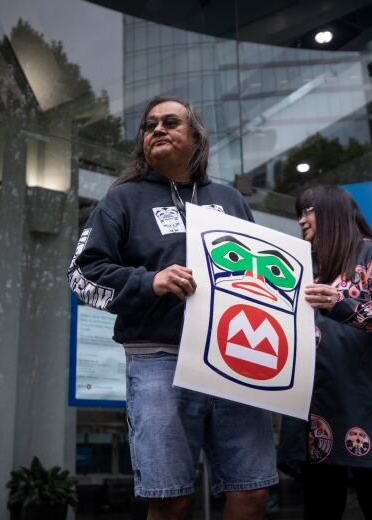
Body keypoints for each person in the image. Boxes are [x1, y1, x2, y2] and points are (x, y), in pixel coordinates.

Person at [68, 96, 277, 520]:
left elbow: (263, 278)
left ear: (196, 137)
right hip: (159, 360)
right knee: (170, 498)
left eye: (170, 122)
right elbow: (81, 276)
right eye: (149, 126)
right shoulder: (123, 200)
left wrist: (294, 316)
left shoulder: (231, 199)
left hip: (235, 360)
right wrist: (150, 281)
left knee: (252, 492)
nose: (157, 130)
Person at [278, 185, 372, 520]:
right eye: (298, 212)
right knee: (321, 505)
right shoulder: (305, 267)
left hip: (365, 404)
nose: (301, 220)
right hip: (316, 408)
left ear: (332, 211)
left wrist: (341, 303)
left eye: (307, 210)